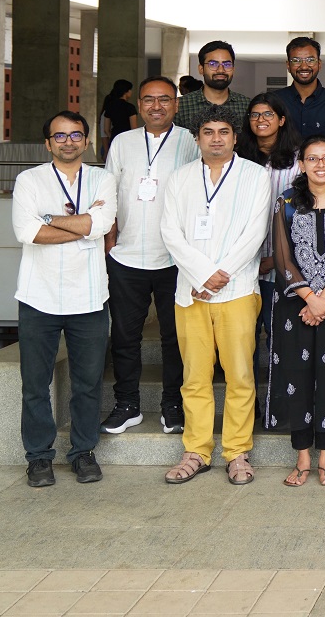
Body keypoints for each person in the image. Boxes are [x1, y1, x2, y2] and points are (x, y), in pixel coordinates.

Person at [159, 107, 273, 486]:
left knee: (240, 375)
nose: (216, 138)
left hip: (238, 290)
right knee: (194, 376)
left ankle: (237, 452)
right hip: (190, 292)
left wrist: (218, 276)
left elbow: (255, 234)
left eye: (224, 131)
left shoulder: (256, 176)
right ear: (197, 138)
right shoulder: (179, 179)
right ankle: (197, 450)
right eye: (208, 132)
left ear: (236, 137)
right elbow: (170, 233)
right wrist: (203, 275)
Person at [11, 111, 117, 487]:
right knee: (35, 383)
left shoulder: (103, 178)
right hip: (38, 296)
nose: (68, 141)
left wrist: (51, 218)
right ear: (48, 143)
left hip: (88, 297)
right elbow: (27, 231)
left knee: (87, 383)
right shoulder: (30, 179)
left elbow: (102, 225)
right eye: (60, 136)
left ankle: (83, 452)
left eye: (75, 135)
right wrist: (83, 226)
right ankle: (38, 458)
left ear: (87, 141)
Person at [101, 77, 200, 437]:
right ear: (139, 105)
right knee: (125, 336)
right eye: (148, 100)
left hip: (175, 260)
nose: (156, 106)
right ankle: (127, 405)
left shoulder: (190, 141)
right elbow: (108, 195)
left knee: (176, 337)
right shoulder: (122, 143)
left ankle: (173, 405)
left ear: (175, 104)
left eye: (164, 100)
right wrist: (110, 244)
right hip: (126, 257)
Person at [265, 137, 325, 487]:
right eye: (312, 158)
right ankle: (302, 455)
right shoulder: (286, 202)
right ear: (302, 165)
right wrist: (309, 296)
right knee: (297, 375)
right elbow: (282, 256)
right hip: (295, 304)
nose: (320, 164)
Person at [238, 91, 303, 351]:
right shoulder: (237, 158)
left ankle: (281, 393)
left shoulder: (299, 161)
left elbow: (304, 217)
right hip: (241, 265)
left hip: (283, 266)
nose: (260, 119)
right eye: (255, 114)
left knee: (281, 339)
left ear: (282, 120)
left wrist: (275, 257)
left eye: (268, 114)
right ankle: (248, 393)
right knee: (242, 340)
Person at [280, 36, 325, 146]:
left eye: (311, 60)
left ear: (319, 64)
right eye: (296, 60)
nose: (304, 66)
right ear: (288, 65)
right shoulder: (274, 101)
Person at [176, 39, 250, 134]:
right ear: (201, 69)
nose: (220, 70)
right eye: (213, 64)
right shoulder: (181, 106)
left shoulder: (247, 105)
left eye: (227, 64)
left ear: (233, 69)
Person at [99, 79, 137, 159]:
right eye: (130, 90)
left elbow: (106, 129)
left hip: (114, 139)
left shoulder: (109, 107)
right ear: (126, 92)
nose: (131, 92)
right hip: (127, 141)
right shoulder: (130, 107)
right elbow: (134, 129)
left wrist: (114, 137)